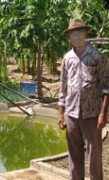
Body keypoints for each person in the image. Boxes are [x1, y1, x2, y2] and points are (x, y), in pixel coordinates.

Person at [57, 18, 109, 180]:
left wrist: (103, 114)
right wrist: (61, 112)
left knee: (94, 157)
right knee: (74, 155)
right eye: (73, 34)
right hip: (72, 114)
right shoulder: (67, 58)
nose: (76, 36)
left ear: (85, 34)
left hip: (92, 115)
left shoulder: (97, 57)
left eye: (79, 33)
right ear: (69, 37)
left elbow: (107, 86)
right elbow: (63, 86)